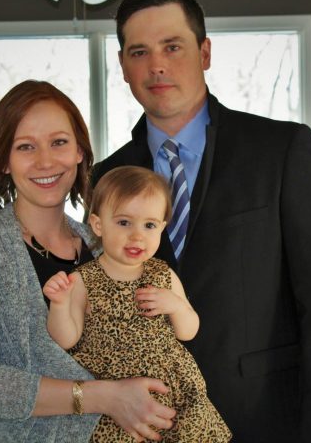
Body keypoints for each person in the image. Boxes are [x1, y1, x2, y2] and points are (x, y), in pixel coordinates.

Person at [92, 0, 311, 442]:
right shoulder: (106, 176)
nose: (157, 65)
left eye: (172, 46)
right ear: (123, 66)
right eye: (140, 52)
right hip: (148, 426)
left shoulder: (281, 149)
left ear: (205, 53)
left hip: (264, 420)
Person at [0, 80, 176, 442]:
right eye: (25, 147)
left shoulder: (107, 244)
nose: (45, 161)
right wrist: (104, 397)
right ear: (4, 160)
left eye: (59, 142)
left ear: (79, 151)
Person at [43, 166, 232, 442]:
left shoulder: (163, 274)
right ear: (98, 225)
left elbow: (188, 331)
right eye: (124, 223)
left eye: (149, 225)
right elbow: (66, 339)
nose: (137, 236)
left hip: (171, 391)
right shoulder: (83, 279)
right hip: (113, 396)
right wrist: (59, 304)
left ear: (162, 228)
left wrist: (177, 307)